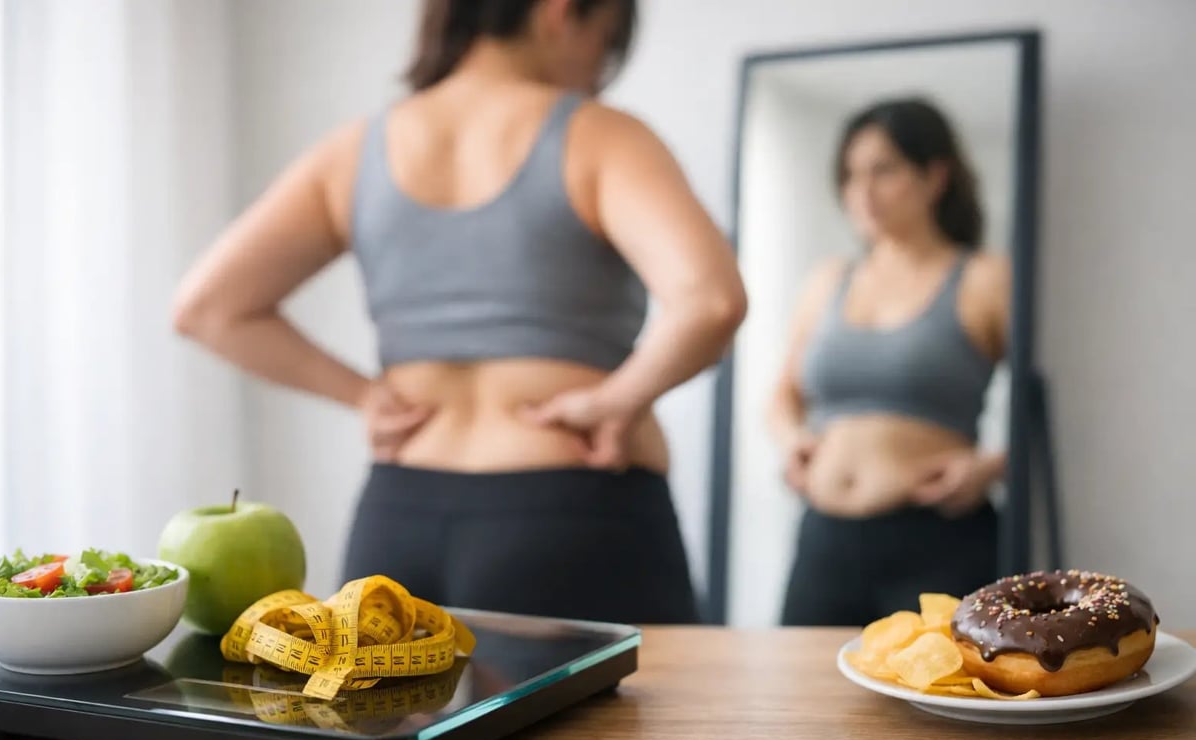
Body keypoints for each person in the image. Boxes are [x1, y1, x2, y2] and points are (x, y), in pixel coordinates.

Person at [172, 0, 746, 625]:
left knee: (389, 720)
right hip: (572, 508)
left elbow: (208, 307)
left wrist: (367, 397)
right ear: (560, 13)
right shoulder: (600, 134)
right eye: (605, 43)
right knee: (636, 727)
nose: (597, 74)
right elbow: (710, 301)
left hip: (398, 519)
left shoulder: (353, 150)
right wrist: (617, 401)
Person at [768, 97, 1009, 626]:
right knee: (803, 700)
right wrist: (791, 442)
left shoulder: (985, 278)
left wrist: (992, 466)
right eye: (850, 176)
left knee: (936, 701)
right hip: (824, 539)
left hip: (938, 537)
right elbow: (784, 394)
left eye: (884, 171)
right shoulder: (828, 280)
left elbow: (1051, 407)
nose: (862, 193)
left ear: (935, 176)